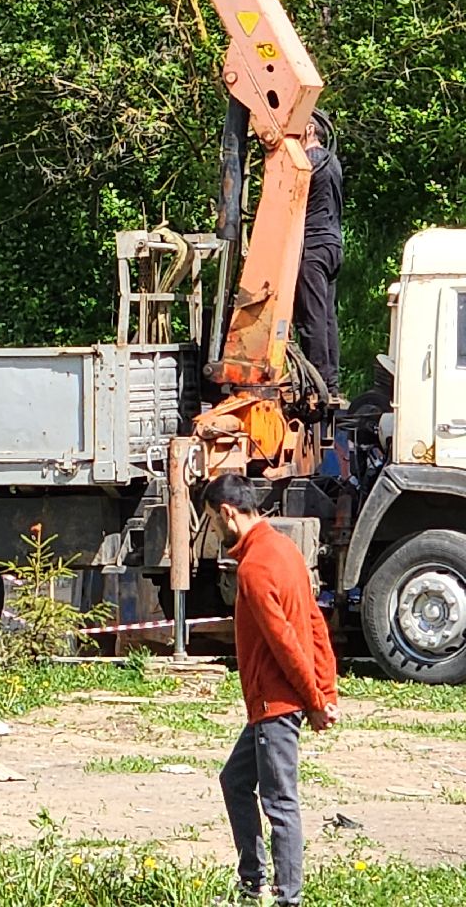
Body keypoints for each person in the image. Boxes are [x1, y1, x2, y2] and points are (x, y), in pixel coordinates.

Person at [205, 474, 339, 906]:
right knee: (235, 780)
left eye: (211, 521)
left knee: (280, 804)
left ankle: (288, 898)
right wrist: (325, 689)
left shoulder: (255, 566)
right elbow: (315, 625)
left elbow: (285, 641)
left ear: (228, 513)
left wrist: (315, 701)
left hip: (274, 704)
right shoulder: (284, 549)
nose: (213, 530)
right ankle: (252, 882)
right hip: (277, 702)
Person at [294, 109, 344, 400]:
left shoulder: (309, 162)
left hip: (313, 246)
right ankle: (331, 382)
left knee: (311, 317)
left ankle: (316, 385)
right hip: (333, 246)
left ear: (310, 130)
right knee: (327, 317)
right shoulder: (332, 161)